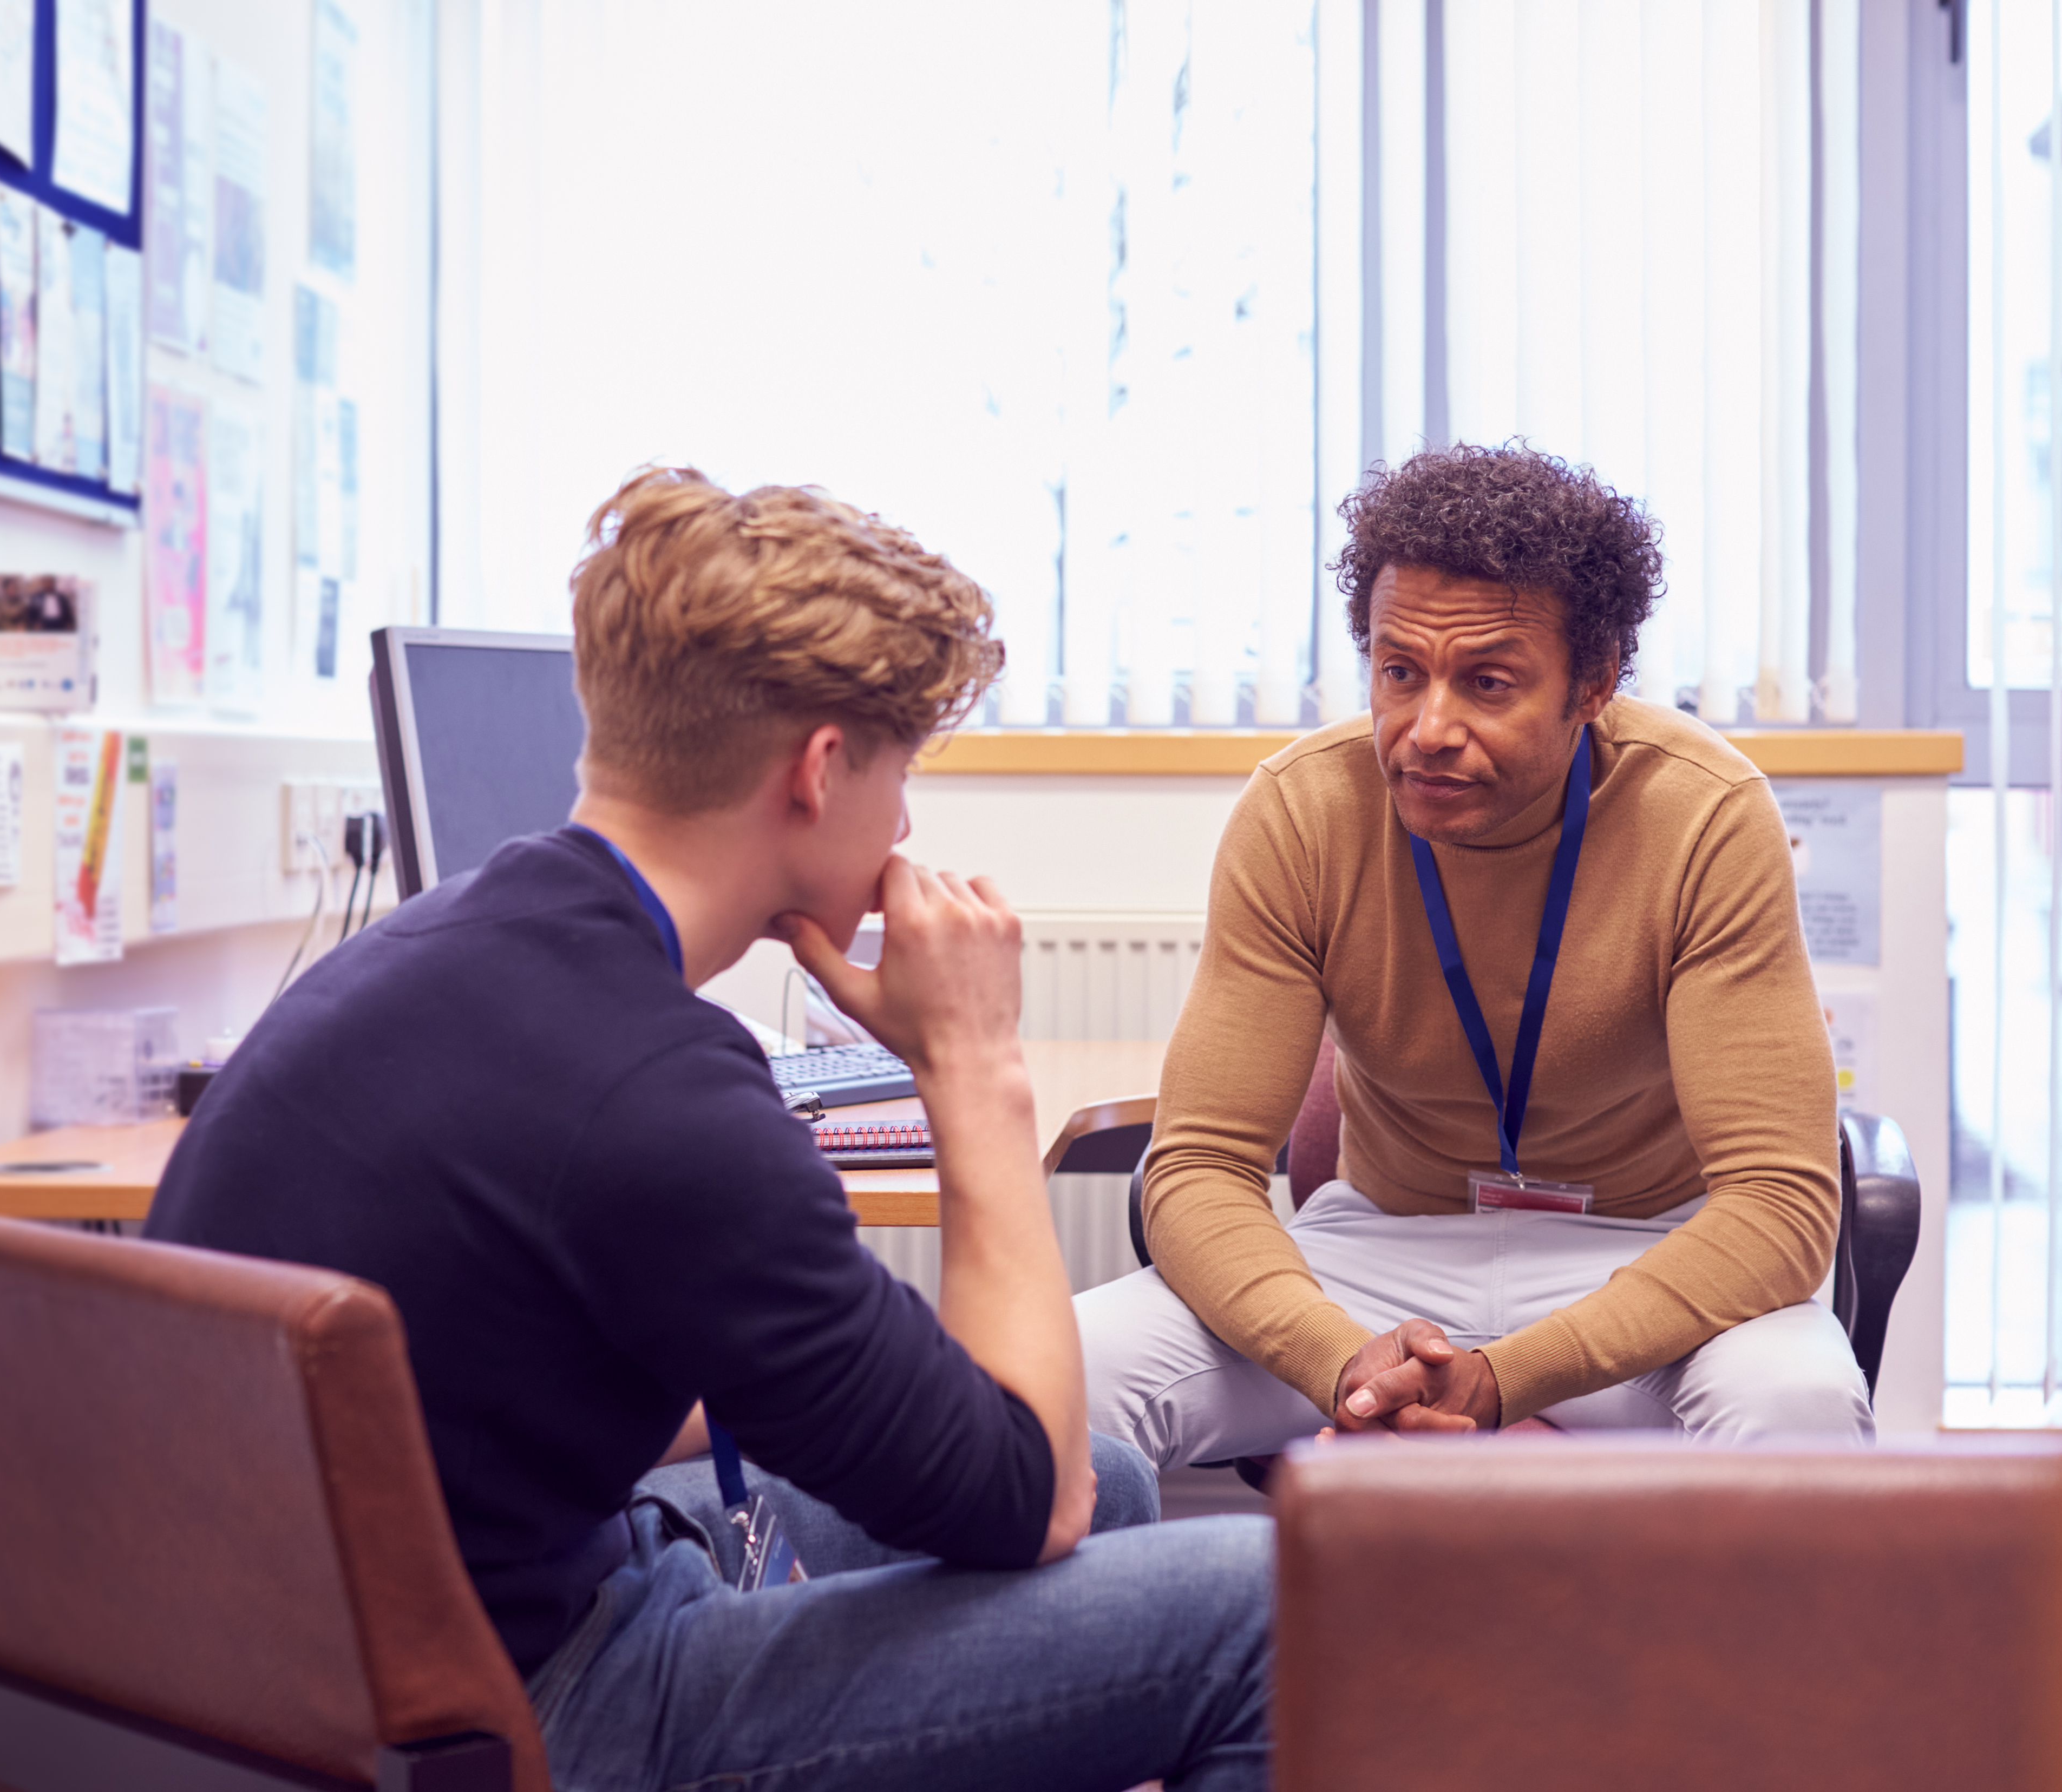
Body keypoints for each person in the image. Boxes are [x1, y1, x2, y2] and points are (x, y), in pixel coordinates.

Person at [147, 467, 1270, 1791]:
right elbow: (1029, 1504)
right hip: (523, 1719)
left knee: (1123, 1481)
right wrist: (972, 1060)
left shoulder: (442, 948)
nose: (906, 826)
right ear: (821, 769)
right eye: (901, 773)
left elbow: (549, 1377)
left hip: (302, 1672)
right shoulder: (661, 1097)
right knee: (1270, 1600)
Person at [1077, 443, 1873, 1468]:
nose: (1427, 730)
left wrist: (1509, 1379)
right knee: (1059, 1380)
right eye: (1398, 673)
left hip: (1647, 1258)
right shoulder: (1303, 810)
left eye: (1488, 683)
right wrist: (1344, 1360)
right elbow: (1197, 1168)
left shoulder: (1704, 816)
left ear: (1593, 685)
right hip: (1378, 1257)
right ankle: (1153, 1635)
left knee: (1798, 1407)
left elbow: (1780, 1202)